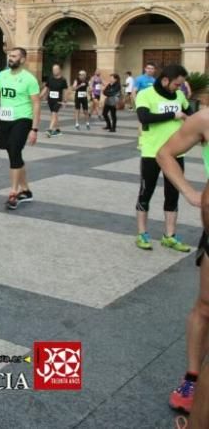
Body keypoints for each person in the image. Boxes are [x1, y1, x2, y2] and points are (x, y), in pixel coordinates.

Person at [156, 108, 209, 414]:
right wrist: (191, 193)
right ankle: (192, 378)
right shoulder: (203, 120)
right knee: (205, 306)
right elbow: (165, 154)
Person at [134, 64, 192, 253]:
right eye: (177, 84)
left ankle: (170, 236)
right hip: (152, 152)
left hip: (176, 153)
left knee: (173, 194)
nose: (179, 88)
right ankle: (142, 234)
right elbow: (144, 117)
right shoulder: (146, 94)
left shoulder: (180, 96)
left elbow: (190, 115)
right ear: (165, 80)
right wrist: (173, 115)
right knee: (146, 192)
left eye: (181, 85)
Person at [0, 47, 41, 210]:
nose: (10, 58)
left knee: (14, 150)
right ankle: (26, 191)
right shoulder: (2, 76)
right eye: (9, 56)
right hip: (5, 119)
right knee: (14, 154)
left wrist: (34, 129)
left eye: (14, 56)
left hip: (22, 119)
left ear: (22, 59)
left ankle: (13, 193)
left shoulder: (29, 79)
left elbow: (36, 104)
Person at [44, 65, 69, 137]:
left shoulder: (63, 80)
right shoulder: (50, 79)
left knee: (54, 114)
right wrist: (39, 97)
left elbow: (65, 91)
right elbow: (46, 89)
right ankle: (58, 130)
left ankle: (50, 130)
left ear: (59, 70)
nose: (54, 71)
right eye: (53, 69)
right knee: (54, 115)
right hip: (50, 100)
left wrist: (65, 101)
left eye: (56, 69)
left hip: (58, 101)